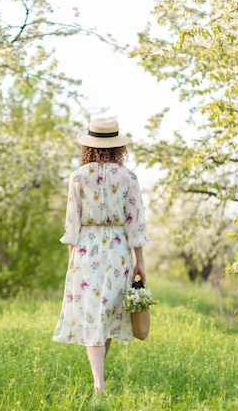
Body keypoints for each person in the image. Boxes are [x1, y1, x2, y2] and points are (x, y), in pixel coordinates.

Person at [53, 116, 149, 393]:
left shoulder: (78, 176)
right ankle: (99, 382)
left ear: (89, 145)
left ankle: (98, 384)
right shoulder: (128, 177)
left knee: (94, 313)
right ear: (118, 147)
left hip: (86, 247)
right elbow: (136, 221)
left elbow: (73, 222)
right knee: (105, 313)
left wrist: (72, 258)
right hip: (118, 248)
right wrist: (140, 261)